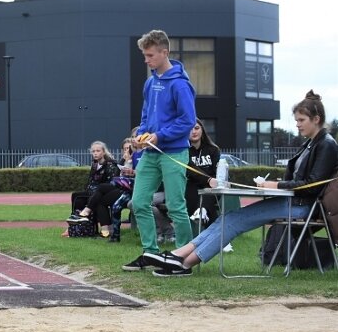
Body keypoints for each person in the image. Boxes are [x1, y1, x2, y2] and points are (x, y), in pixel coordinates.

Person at [142, 90, 338, 276]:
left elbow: (312, 185)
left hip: (303, 207)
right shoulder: (311, 143)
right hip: (294, 203)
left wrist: (275, 186)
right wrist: (276, 185)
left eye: (301, 120)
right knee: (227, 218)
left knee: (234, 221)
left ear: (316, 119)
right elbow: (302, 181)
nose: (297, 125)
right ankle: (180, 256)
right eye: (296, 120)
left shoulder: (326, 145)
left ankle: (184, 264)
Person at [124, 29, 196, 271]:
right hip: (150, 153)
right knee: (139, 202)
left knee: (176, 206)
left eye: (150, 55)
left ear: (165, 52)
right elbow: (146, 116)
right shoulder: (150, 82)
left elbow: (188, 121)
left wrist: (159, 135)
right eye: (145, 55)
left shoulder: (180, 85)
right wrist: (140, 135)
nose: (146, 60)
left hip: (173, 153)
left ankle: (184, 258)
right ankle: (150, 253)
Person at [67, 141, 120, 221]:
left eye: (98, 151)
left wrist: (95, 190)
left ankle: (80, 217)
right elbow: (90, 180)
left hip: (102, 192)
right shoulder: (94, 164)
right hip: (91, 190)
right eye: (93, 151)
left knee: (78, 196)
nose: (95, 153)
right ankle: (77, 220)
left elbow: (111, 183)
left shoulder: (110, 164)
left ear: (104, 152)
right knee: (76, 196)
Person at [185, 118, 220, 227]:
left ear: (202, 130)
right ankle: (203, 213)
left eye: (197, 128)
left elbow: (217, 172)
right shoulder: (183, 151)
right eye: (190, 129)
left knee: (208, 193)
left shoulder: (213, 149)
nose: (194, 132)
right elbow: (190, 169)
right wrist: (207, 179)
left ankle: (202, 212)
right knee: (195, 194)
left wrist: (211, 181)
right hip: (192, 186)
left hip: (211, 187)